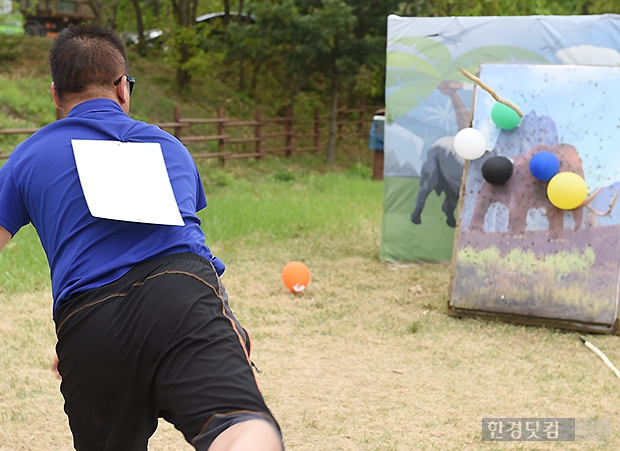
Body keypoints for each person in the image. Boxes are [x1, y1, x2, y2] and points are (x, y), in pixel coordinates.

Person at [0, 25, 283, 451]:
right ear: (122, 88)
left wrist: (87, 334)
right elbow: (185, 243)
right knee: (241, 429)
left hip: (88, 323)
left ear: (55, 95)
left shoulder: (27, 156)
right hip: (183, 299)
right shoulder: (171, 148)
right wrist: (224, 329)